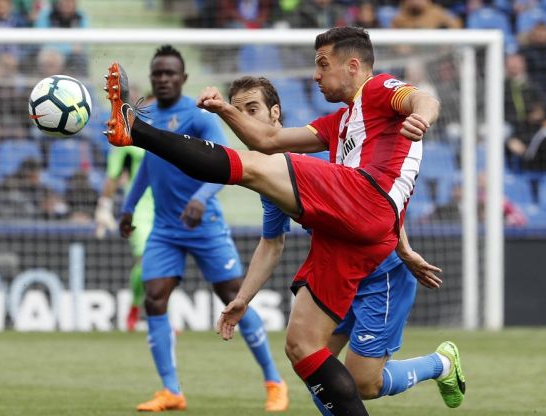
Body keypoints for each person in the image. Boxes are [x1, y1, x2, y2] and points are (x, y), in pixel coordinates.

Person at [103, 27, 465, 415]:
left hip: (378, 249)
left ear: (354, 65)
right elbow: (268, 142)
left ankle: (136, 129)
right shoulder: (337, 124)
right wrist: (225, 110)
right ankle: (441, 365)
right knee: (310, 352)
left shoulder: (377, 90)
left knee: (257, 169)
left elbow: (422, 100)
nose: (315, 75)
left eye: (323, 65)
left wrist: (422, 118)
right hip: (352, 237)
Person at [226, 75, 460, 413]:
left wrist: (403, 249)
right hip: (338, 278)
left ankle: (441, 364)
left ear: (275, 113)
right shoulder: (269, 179)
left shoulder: (316, 158)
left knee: (364, 383)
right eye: (236, 113)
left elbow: (376, 201)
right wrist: (242, 299)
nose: (244, 120)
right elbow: (272, 243)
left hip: (381, 275)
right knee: (314, 364)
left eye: (252, 109)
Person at [116, 45, 288, 412]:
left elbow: (226, 163)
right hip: (165, 226)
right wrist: (128, 207)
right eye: (157, 74)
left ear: (183, 78)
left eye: (170, 74)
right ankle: (171, 391)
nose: (163, 79)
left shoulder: (197, 116)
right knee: (154, 297)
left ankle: (274, 380)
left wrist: (201, 197)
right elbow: (148, 166)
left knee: (232, 297)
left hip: (203, 223)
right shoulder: (146, 118)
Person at [94, 135, 155, 332]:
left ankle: (162, 316)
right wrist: (103, 206)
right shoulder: (126, 136)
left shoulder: (170, 124)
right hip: (139, 209)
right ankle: (137, 306)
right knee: (148, 260)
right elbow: (113, 175)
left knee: (164, 263)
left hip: (167, 206)